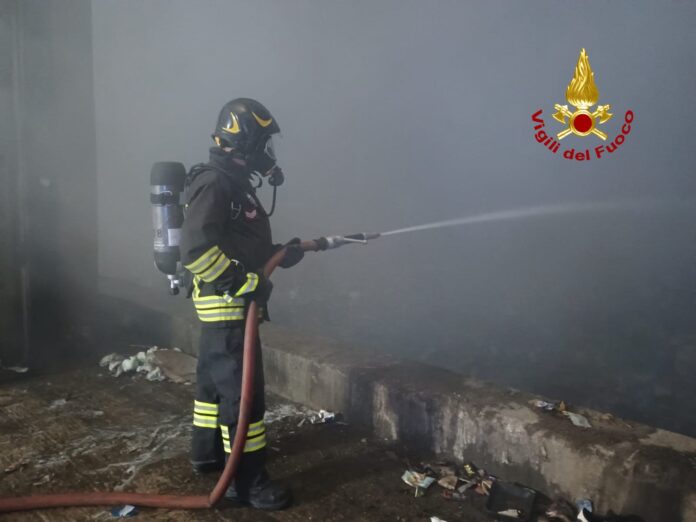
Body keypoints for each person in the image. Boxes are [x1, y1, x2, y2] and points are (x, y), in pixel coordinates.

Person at [179, 98, 303, 510]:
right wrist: (242, 283)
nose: (268, 153)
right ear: (244, 140)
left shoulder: (232, 183)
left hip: (222, 310)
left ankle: (208, 455)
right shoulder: (217, 184)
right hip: (228, 308)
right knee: (244, 399)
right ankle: (246, 483)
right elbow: (195, 249)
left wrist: (280, 253)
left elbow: (238, 241)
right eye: (264, 143)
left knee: (212, 391)